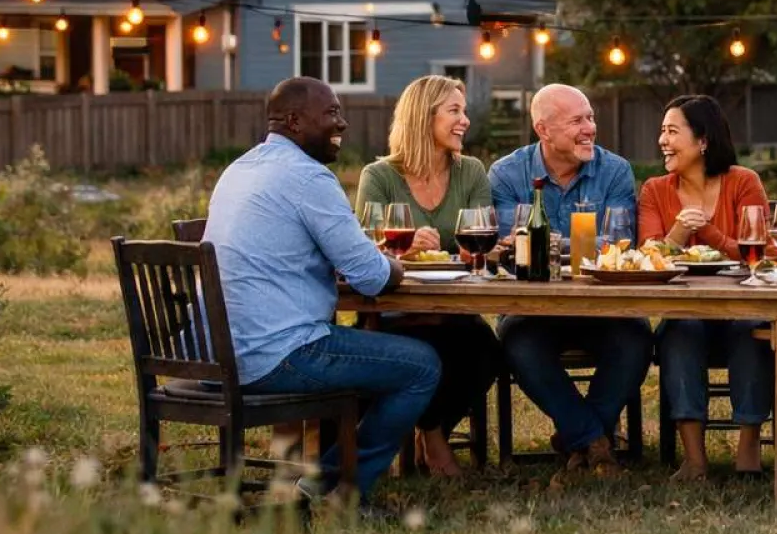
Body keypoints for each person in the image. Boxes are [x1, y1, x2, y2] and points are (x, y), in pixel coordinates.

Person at [203, 77, 443, 505]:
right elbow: (370, 277)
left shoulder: (238, 169)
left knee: (379, 357)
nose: (343, 123)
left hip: (215, 355)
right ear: (294, 121)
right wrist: (392, 263)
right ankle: (336, 487)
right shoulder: (307, 177)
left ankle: (324, 478)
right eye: (331, 113)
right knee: (421, 365)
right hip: (273, 355)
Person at [488, 83, 647, 481]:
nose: (590, 128)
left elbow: (621, 241)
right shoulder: (507, 173)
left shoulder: (614, 170)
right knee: (517, 343)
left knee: (637, 339)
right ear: (543, 130)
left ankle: (577, 438)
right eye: (577, 121)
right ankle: (594, 442)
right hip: (533, 310)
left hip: (602, 306)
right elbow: (515, 247)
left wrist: (548, 244)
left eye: (590, 117)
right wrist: (574, 244)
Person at [355, 74, 504, 478]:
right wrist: (398, 248)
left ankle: (430, 427)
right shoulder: (379, 176)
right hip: (393, 309)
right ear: (424, 118)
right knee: (423, 348)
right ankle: (433, 438)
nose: (465, 120)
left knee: (485, 350)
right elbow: (363, 248)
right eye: (454, 111)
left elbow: (481, 243)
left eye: (464, 110)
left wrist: (480, 251)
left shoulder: (470, 171)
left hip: (454, 308)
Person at [640, 95, 772, 480]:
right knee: (679, 330)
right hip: (687, 309)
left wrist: (710, 233)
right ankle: (694, 458)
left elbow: (759, 253)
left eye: (672, 131)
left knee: (751, 331)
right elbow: (649, 257)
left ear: (703, 141)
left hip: (741, 307)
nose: (663, 140)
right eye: (662, 131)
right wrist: (679, 232)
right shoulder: (654, 190)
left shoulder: (743, 182)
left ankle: (748, 449)